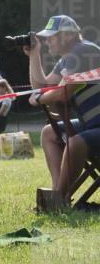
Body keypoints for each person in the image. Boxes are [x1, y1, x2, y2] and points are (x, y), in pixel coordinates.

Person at [26, 15, 100, 202]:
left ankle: (58, 198)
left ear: (67, 36)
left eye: (51, 36)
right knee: (49, 133)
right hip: (91, 124)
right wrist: (34, 55)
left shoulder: (83, 51)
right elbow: (43, 85)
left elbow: (62, 92)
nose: (47, 40)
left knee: (75, 142)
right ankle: (57, 194)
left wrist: (40, 99)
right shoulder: (68, 59)